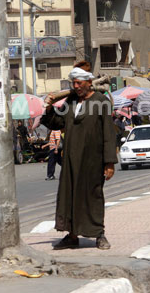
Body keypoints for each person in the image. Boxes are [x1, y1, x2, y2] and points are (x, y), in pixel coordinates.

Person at [42, 61, 117, 250]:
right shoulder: (71, 102)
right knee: (70, 196)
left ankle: (99, 234)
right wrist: (50, 107)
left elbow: (109, 133)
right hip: (70, 160)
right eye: (73, 83)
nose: (75, 86)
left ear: (88, 82)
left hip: (93, 160)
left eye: (78, 83)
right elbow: (57, 122)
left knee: (93, 196)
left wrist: (109, 162)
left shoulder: (101, 101)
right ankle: (72, 235)